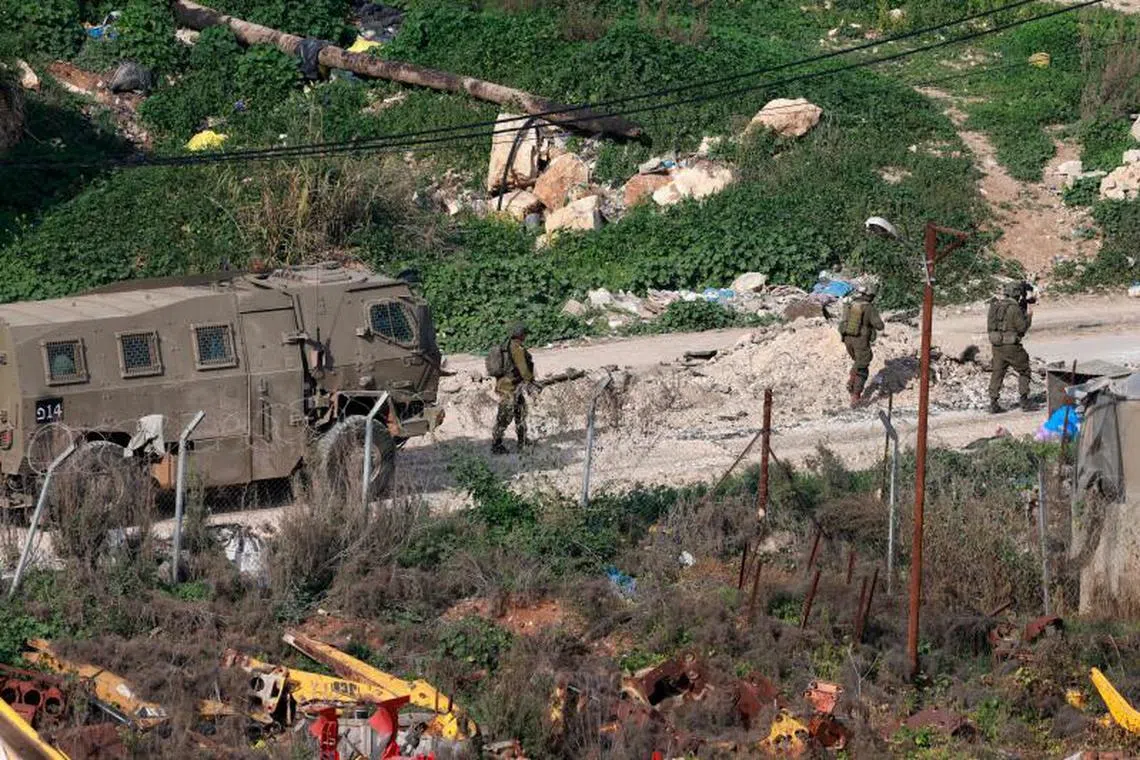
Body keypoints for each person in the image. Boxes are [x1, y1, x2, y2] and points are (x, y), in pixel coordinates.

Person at [988, 281, 1034, 413]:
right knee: (1024, 370)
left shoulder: (994, 306)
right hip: (1012, 346)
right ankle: (1024, 400)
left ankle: (993, 401)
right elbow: (1022, 328)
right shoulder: (1014, 308)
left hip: (997, 346)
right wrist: (1029, 315)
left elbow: (990, 326)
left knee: (997, 373)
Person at [492, 323, 537, 454]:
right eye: (525, 334)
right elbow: (524, 370)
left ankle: (522, 440)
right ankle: (496, 445)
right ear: (521, 335)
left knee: (520, 412)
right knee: (505, 416)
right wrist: (531, 381)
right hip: (510, 387)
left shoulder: (506, 346)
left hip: (507, 385)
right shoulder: (517, 349)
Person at [839, 282, 884, 407]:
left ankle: (852, 377)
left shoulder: (849, 304)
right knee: (863, 367)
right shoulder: (868, 307)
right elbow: (879, 326)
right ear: (870, 295)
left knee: (858, 361)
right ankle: (856, 395)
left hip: (847, 339)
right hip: (860, 339)